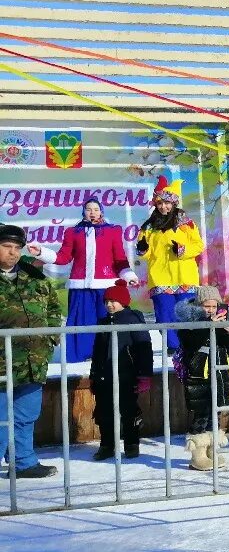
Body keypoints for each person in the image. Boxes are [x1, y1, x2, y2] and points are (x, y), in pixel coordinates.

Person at [31, 198, 138, 363]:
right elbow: (63, 257)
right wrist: (41, 252)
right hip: (80, 287)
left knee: (108, 321)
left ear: (101, 211)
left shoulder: (113, 231)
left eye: (96, 209)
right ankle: (79, 358)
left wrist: (129, 276)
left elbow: (119, 258)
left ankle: (111, 356)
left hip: (106, 287)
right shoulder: (73, 232)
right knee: (80, 323)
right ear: (83, 212)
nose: (92, 212)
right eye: (89, 209)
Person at [0, 225, 61, 478]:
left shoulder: (34, 277)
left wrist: (51, 338)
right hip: (2, 363)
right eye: (6, 247)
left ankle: (23, 462)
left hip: (33, 361)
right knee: (1, 417)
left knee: (26, 416)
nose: (12, 253)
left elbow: (54, 309)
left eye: (17, 248)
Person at [174, 287, 229, 471]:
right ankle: (198, 454)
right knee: (201, 413)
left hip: (219, 373)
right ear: (198, 305)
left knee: (216, 412)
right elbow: (189, 344)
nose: (211, 309)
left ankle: (212, 450)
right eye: (206, 306)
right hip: (199, 374)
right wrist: (207, 326)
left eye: (214, 305)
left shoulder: (221, 319)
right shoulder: (189, 321)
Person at [136, 176, 204, 351]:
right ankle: (173, 347)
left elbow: (198, 245)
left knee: (187, 314)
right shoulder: (148, 227)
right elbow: (146, 253)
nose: (163, 206)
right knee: (164, 314)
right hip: (160, 277)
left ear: (174, 203)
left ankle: (189, 345)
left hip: (184, 276)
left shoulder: (186, 224)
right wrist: (143, 248)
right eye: (160, 203)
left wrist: (182, 249)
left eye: (167, 203)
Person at [88, 280, 152, 461]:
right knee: (104, 412)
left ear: (124, 302)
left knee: (128, 411)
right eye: (106, 301)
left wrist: (144, 375)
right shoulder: (103, 322)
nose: (109, 305)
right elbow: (97, 351)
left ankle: (132, 444)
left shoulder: (133, 319)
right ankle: (107, 445)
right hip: (104, 376)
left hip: (127, 375)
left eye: (113, 301)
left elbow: (144, 348)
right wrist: (94, 375)